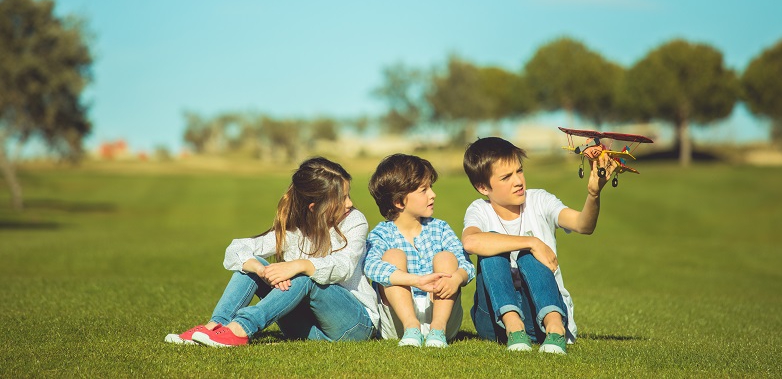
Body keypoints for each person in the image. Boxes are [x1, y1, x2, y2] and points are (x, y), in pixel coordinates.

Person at [164, 156, 379, 347]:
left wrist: (299, 265)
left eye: (348, 195)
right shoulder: (295, 229)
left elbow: (344, 266)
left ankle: (240, 329)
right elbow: (237, 249)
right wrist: (261, 270)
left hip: (354, 326)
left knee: (305, 276)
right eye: (342, 198)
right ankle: (214, 327)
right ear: (314, 207)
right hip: (307, 329)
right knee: (250, 266)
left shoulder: (354, 221)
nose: (350, 203)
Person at [461, 137, 617, 354]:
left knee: (527, 257)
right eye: (506, 177)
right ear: (482, 187)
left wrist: (593, 194)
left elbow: (583, 225)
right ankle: (514, 328)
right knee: (492, 248)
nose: (518, 181)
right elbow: (471, 242)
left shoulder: (539, 201)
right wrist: (532, 242)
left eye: (519, 171)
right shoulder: (479, 209)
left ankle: (555, 330)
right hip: (495, 321)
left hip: (541, 311)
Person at [364, 154, 475, 348]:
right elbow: (370, 266)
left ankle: (437, 330)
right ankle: (411, 327)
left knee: (446, 257)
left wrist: (457, 278)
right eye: (424, 190)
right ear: (399, 202)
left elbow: (466, 264)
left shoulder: (440, 228)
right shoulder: (381, 234)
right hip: (397, 320)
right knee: (392, 256)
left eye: (430, 187)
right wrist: (415, 280)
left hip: (443, 314)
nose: (433, 194)